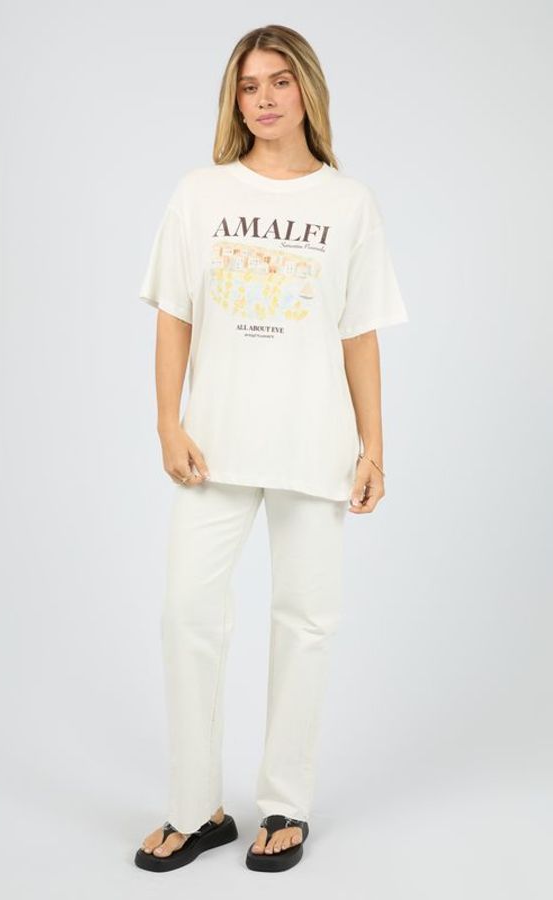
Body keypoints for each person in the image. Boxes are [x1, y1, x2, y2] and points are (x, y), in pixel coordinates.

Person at [133, 24, 408, 873]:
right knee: (187, 615)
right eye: (249, 85)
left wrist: (373, 447)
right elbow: (174, 313)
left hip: (313, 442)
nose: (264, 98)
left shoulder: (348, 203)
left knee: (305, 622)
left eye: (279, 81)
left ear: (306, 91)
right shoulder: (200, 193)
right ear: (235, 100)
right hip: (213, 444)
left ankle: (285, 803)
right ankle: (196, 809)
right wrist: (169, 423)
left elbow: (359, 332)